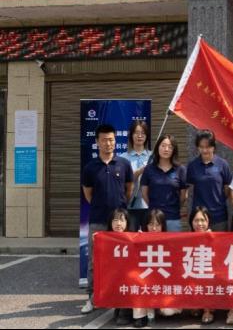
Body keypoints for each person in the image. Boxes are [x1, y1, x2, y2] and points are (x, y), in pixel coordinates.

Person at [81, 124, 134, 314]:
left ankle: (119, 296)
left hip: (120, 222)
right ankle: (92, 297)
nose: (108, 143)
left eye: (111, 139)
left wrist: (118, 211)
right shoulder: (90, 167)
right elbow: (88, 194)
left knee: (122, 260)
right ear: (97, 142)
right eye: (104, 140)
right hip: (98, 220)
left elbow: (128, 190)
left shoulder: (124, 164)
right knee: (95, 261)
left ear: (115, 141)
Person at [132, 209, 182, 327]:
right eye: (151, 224)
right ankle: (141, 315)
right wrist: (135, 240)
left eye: (157, 225)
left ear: (163, 226)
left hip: (162, 282)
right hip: (144, 282)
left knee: (169, 311)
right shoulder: (138, 238)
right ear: (145, 225)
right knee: (135, 283)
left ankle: (158, 308)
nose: (154, 228)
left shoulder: (169, 241)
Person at [186, 130, 233, 231]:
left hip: (219, 216)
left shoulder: (222, 164)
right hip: (199, 218)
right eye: (201, 147)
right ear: (197, 147)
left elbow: (227, 190)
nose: (204, 150)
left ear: (213, 147)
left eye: (207, 147)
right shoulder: (192, 166)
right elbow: (189, 190)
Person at [141, 134, 187, 232]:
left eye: (170, 147)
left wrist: (174, 207)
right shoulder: (149, 169)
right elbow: (144, 193)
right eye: (163, 145)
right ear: (157, 147)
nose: (166, 149)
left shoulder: (181, 169)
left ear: (174, 150)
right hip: (154, 220)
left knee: (173, 242)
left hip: (173, 218)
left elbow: (183, 196)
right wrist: (154, 207)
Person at [120, 120, 152, 231]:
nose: (140, 136)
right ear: (131, 135)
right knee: (131, 237)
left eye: (143, 133)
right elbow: (122, 181)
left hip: (149, 205)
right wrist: (139, 171)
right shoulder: (123, 158)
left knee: (148, 239)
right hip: (129, 206)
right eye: (136, 133)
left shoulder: (153, 157)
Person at [105, 208, 134, 325]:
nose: (118, 223)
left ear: (127, 222)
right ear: (110, 223)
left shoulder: (134, 238)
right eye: (115, 220)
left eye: (122, 220)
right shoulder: (105, 238)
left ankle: (126, 311)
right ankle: (118, 306)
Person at [189, 206, 215, 324]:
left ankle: (207, 310)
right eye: (196, 220)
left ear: (208, 222)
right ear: (191, 222)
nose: (199, 224)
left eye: (203, 220)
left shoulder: (216, 237)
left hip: (210, 275)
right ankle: (196, 305)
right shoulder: (184, 238)